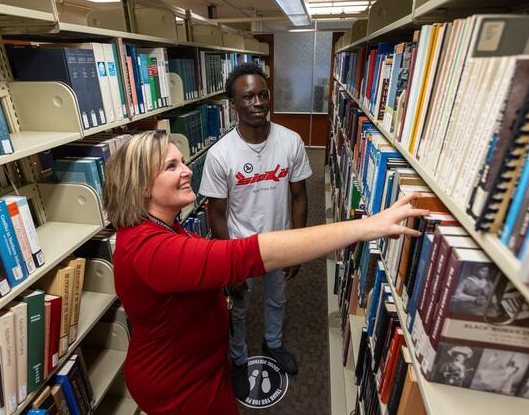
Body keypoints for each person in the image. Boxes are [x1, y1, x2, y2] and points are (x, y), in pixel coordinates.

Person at [103, 130, 428, 415]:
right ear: (142, 185)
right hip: (177, 381)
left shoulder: (161, 228)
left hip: (199, 364)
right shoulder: (149, 249)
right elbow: (251, 254)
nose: (188, 171)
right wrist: (361, 228)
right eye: (171, 167)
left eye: (183, 161)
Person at [198, 62, 311, 397]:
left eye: (263, 94)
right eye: (248, 97)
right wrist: (227, 264)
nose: (258, 102)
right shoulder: (221, 155)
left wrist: (298, 247)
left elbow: (300, 195)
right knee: (239, 306)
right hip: (239, 248)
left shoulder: (291, 141)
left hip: (279, 242)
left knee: (277, 298)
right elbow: (216, 214)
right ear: (234, 104)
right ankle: (238, 358)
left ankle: (272, 343)